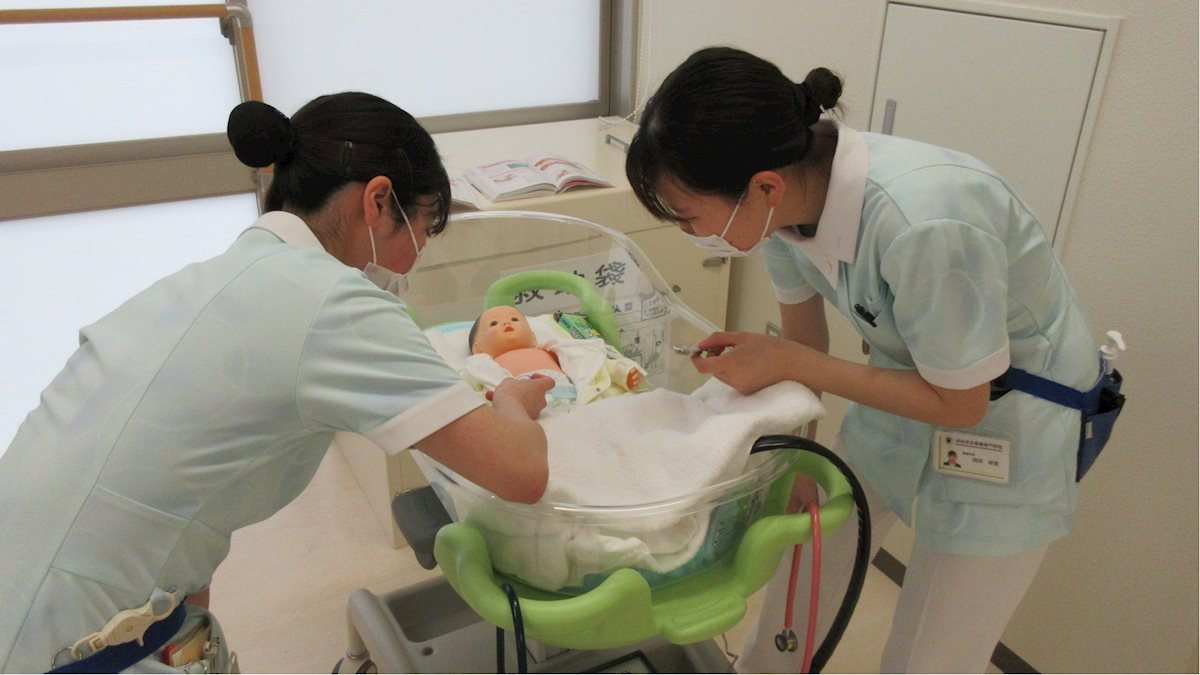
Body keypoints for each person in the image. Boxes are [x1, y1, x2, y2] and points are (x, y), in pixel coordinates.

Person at [0, 93, 554, 673]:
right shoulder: (332, 303)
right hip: (53, 637)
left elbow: (183, 485)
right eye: (418, 232)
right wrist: (513, 398)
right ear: (378, 200)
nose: (411, 261)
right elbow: (521, 472)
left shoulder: (211, 279)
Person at [625, 47, 1098, 673]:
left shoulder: (926, 220)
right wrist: (796, 458)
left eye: (688, 217)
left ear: (762, 185)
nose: (687, 234)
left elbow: (960, 402)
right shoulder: (784, 209)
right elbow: (807, 343)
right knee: (810, 549)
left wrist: (787, 361)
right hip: (908, 384)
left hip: (1008, 422)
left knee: (931, 648)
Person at [463, 304, 644, 413]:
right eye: (494, 323)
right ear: (478, 349)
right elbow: (462, 394)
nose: (506, 323)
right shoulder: (483, 368)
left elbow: (591, 366)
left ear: (533, 337)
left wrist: (621, 372)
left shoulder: (554, 351)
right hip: (523, 412)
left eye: (515, 319)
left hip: (575, 403)